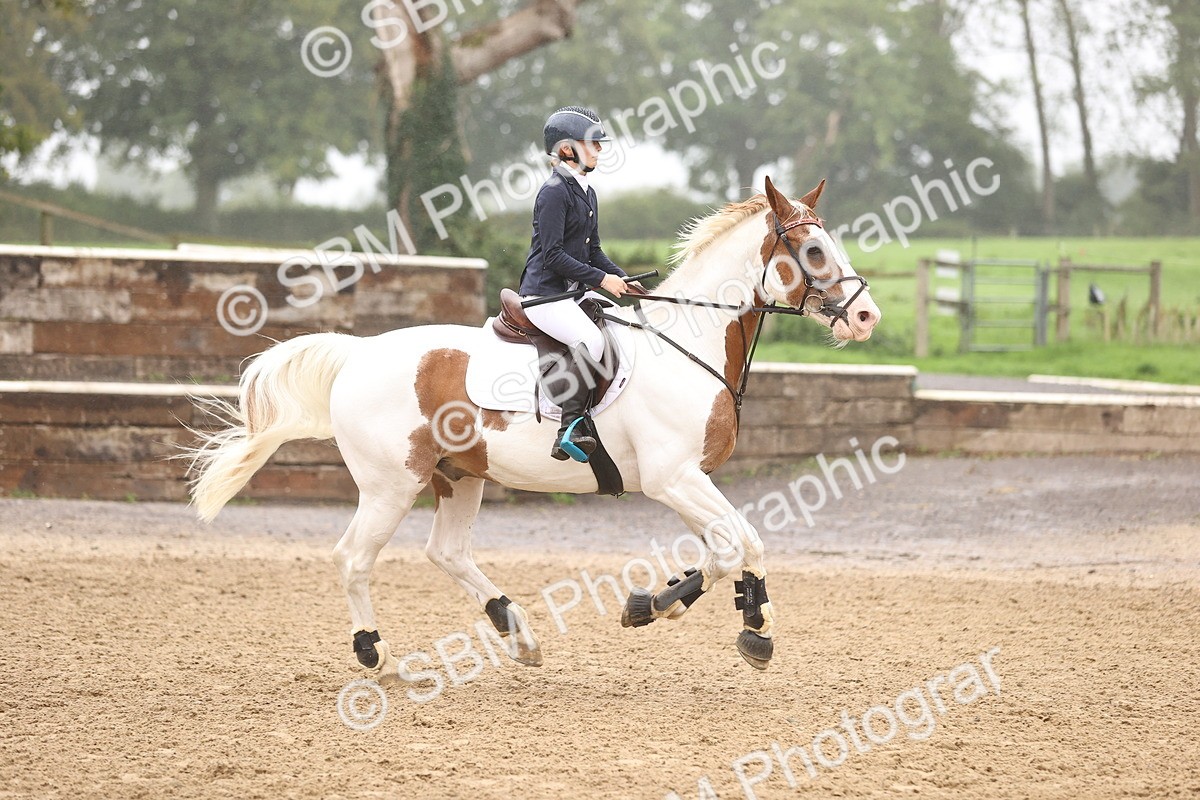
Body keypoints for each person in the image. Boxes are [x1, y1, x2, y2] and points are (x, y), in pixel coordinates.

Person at [518, 106, 643, 462]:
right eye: (593, 144)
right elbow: (553, 256)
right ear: (567, 149)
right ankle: (569, 426)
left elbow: (595, 251)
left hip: (571, 292)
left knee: (621, 322)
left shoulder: (586, 192)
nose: (600, 150)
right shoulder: (553, 192)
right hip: (544, 295)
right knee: (590, 339)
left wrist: (623, 279)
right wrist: (602, 280)